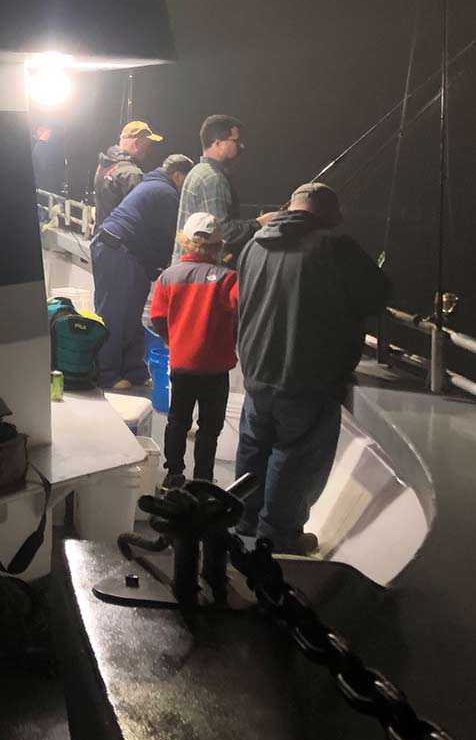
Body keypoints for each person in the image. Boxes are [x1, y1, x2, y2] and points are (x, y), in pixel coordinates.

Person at [234, 183, 389, 554]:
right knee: (295, 456)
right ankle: (279, 539)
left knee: (254, 449)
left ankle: (243, 524)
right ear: (326, 213)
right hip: (307, 376)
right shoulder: (333, 247)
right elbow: (378, 294)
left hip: (256, 371)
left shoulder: (253, 245)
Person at [148, 212, 239, 488]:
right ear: (218, 245)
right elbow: (242, 308)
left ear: (185, 241)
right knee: (209, 428)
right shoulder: (228, 279)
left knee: (177, 421)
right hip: (215, 369)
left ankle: (173, 475)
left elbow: (157, 318)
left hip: (182, 364)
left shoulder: (168, 277)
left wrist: (171, 340)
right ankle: (203, 479)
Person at [90, 152, 194, 388]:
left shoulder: (151, 183)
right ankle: (106, 374)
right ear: (177, 175)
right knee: (114, 314)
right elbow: (172, 239)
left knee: (131, 314)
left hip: (126, 252)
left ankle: (133, 370)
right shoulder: (165, 193)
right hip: (115, 250)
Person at [173, 114, 270, 264]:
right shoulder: (213, 178)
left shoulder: (197, 171)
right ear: (217, 143)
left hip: (188, 271)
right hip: (203, 277)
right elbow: (223, 232)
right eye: (236, 141)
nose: (241, 146)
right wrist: (260, 223)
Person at [92, 120, 163, 225]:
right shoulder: (131, 174)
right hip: (121, 238)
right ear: (137, 143)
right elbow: (142, 213)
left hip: (102, 232)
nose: (148, 151)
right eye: (147, 146)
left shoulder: (104, 164)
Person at [31, 124, 65, 196]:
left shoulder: (50, 146)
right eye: (41, 130)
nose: (44, 133)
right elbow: (42, 166)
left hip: (50, 187)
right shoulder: (36, 145)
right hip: (43, 188)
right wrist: (42, 142)